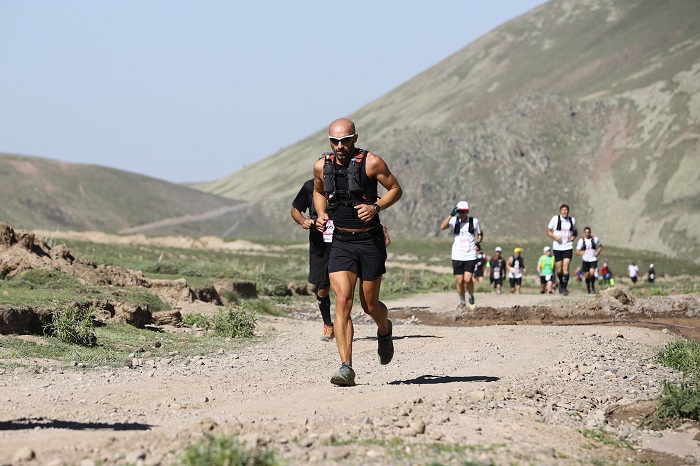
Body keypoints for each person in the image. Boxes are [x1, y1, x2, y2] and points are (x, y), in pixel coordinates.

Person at [313, 118, 402, 387]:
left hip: (369, 242)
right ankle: (346, 367)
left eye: (346, 140)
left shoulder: (372, 162)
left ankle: (384, 330)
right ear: (329, 141)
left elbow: (395, 189)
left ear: (355, 138)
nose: (340, 146)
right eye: (335, 141)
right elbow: (318, 192)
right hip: (340, 240)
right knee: (342, 301)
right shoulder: (321, 166)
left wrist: (376, 207)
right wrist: (320, 214)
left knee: (370, 305)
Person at [291, 178, 335, 341]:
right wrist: (303, 221)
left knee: (343, 288)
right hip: (319, 245)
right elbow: (295, 209)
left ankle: (344, 323)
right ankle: (328, 325)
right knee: (322, 288)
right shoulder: (309, 186)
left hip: (344, 242)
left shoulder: (343, 181)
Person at [440, 201, 484, 309]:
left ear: (467, 211)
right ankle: (462, 302)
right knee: (459, 281)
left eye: (463, 212)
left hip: (470, 255)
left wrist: (478, 243)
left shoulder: (474, 221)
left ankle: (471, 296)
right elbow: (442, 226)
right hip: (457, 255)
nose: (461, 214)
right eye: (459, 211)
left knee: (468, 279)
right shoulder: (454, 221)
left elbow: (480, 234)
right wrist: (451, 214)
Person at [546, 203, 578, 295]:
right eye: (563, 210)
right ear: (560, 211)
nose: (564, 212)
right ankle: (561, 284)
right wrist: (554, 237)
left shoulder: (572, 220)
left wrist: (573, 237)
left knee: (566, 267)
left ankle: (564, 288)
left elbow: (575, 232)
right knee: (559, 269)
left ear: (568, 211)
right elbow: (548, 231)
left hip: (568, 246)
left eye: (566, 210)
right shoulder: (555, 219)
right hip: (557, 247)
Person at [575, 226, 603, 294]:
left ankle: (592, 285)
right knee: (587, 275)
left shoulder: (595, 239)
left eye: (588, 232)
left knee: (592, 273)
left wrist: (598, 252)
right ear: (584, 233)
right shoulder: (581, 240)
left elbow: (600, 246)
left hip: (593, 259)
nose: (587, 234)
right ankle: (588, 288)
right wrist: (581, 252)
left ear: (590, 232)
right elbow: (577, 251)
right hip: (585, 260)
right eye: (586, 232)